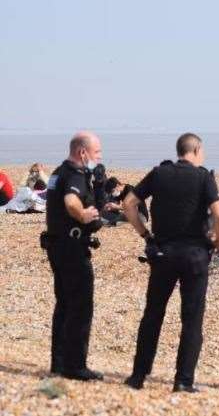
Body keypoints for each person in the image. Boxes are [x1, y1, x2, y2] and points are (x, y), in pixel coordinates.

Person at [122, 133, 219, 393]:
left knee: (153, 315)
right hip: (195, 256)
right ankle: (183, 380)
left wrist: (146, 234)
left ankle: (138, 376)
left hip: (163, 254)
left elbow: (129, 204)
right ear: (197, 149)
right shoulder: (204, 177)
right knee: (191, 319)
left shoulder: (159, 173)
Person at [43, 131, 105, 381]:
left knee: (64, 305)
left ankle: (59, 363)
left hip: (57, 246)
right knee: (80, 306)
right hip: (71, 248)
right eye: (96, 152)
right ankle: (75, 365)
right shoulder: (74, 175)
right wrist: (83, 215)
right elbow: (71, 202)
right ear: (82, 152)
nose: (98, 157)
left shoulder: (58, 172)